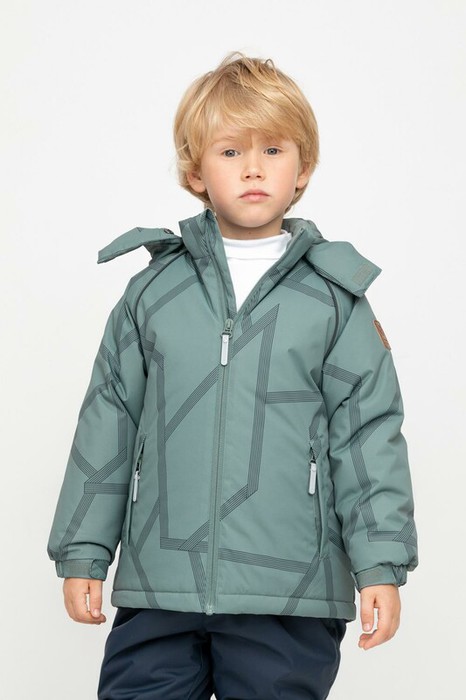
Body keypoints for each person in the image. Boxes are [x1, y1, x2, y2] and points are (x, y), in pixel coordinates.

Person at [47, 52, 419, 699]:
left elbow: (367, 437)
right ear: (195, 170)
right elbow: (108, 421)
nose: (253, 168)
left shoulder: (335, 300)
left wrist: (379, 565)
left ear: (303, 167)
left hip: (290, 590)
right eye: (230, 151)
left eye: (273, 149)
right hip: (161, 584)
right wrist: (84, 550)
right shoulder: (153, 292)